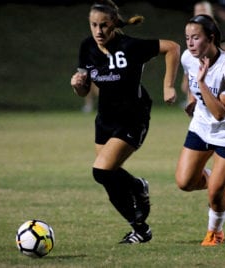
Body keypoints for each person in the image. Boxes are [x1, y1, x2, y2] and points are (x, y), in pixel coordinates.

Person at [70, 0, 180, 244]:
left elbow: (172, 47)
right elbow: (85, 88)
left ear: (114, 25)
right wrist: (79, 86)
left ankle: (139, 187)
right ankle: (140, 229)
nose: (99, 31)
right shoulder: (87, 47)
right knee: (107, 178)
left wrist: (168, 86)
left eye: (104, 25)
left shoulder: (130, 46)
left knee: (100, 171)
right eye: (94, 25)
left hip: (133, 118)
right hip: (105, 120)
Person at [175, 14, 225, 246]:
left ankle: (215, 232)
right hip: (202, 126)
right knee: (184, 182)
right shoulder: (188, 57)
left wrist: (201, 84)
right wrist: (192, 98)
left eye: (195, 38)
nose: (190, 43)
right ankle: (216, 179)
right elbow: (192, 80)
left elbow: (220, 112)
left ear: (210, 39)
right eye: (187, 38)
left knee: (215, 195)